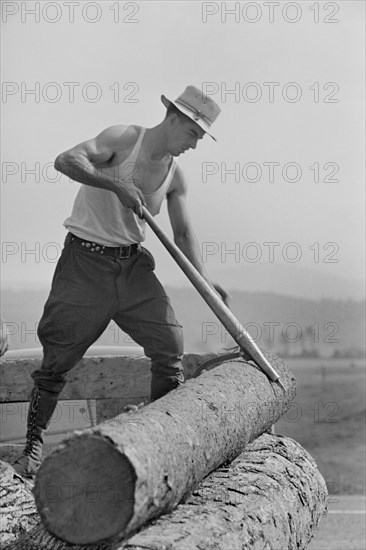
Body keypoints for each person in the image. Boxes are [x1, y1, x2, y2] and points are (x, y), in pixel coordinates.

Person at [13, 85, 228, 478]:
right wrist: (116, 184)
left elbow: (182, 235)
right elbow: (66, 160)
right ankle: (32, 448)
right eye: (194, 134)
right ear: (175, 118)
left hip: (132, 269)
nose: (194, 145)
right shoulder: (124, 139)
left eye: (200, 137)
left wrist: (206, 282)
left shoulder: (175, 176)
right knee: (57, 358)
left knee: (170, 345)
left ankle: (161, 440)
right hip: (84, 263)